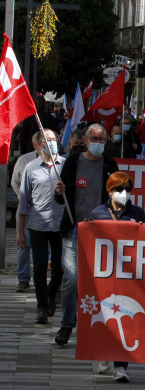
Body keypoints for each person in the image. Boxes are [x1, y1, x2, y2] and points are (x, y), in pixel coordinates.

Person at [53, 124, 120, 347]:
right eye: (95, 139)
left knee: (100, 282)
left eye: (102, 140)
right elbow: (59, 199)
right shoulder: (72, 162)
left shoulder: (110, 165)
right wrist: (59, 191)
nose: (99, 143)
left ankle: (99, 326)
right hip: (74, 228)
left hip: (102, 232)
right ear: (85, 139)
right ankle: (66, 324)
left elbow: (119, 199)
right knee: (71, 278)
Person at [89, 172, 145, 383]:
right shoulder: (98, 213)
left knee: (125, 317)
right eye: (119, 189)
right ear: (110, 191)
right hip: (102, 276)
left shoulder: (137, 213)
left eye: (128, 189)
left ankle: (121, 367)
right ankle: (105, 353)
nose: (124, 193)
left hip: (128, 276)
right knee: (105, 315)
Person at [17, 129, 65, 324]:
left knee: (60, 267)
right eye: (47, 140)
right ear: (39, 145)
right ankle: (42, 307)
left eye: (54, 139)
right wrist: (20, 231)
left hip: (61, 225)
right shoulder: (30, 168)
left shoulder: (65, 164)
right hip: (38, 225)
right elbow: (23, 202)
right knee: (39, 268)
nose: (52, 142)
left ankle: (51, 293)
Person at [11, 146, 37, 293]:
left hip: (47, 210)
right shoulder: (24, 160)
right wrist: (23, 198)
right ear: (36, 144)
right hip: (26, 208)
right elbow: (15, 181)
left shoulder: (59, 160)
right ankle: (23, 278)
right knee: (23, 243)